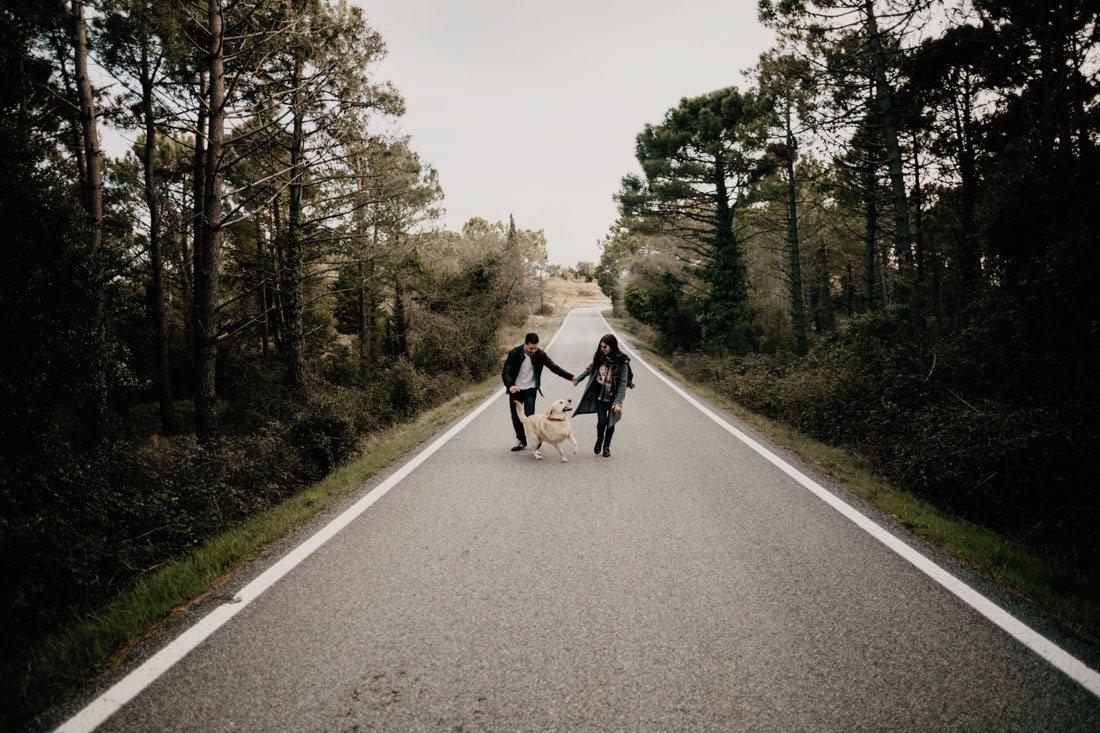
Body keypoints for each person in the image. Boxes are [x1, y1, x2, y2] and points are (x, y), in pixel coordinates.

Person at [502, 332, 575, 451]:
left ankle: (537, 438)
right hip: (515, 390)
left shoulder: (540, 354)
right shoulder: (514, 353)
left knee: (530, 418)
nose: (533, 351)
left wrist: (571, 377)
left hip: (530, 390)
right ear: (525, 343)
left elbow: (554, 367)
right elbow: (506, 372)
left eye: (535, 348)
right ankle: (521, 441)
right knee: (516, 418)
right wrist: (510, 386)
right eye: (531, 348)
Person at [571, 333, 631, 457]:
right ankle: (599, 440)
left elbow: (623, 383)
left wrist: (618, 402)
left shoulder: (622, 361)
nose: (602, 349)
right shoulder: (600, 357)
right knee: (602, 421)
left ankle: (606, 446)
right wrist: (578, 379)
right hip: (599, 394)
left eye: (605, 347)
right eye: (601, 346)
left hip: (614, 395)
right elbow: (590, 369)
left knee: (610, 423)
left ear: (612, 346)